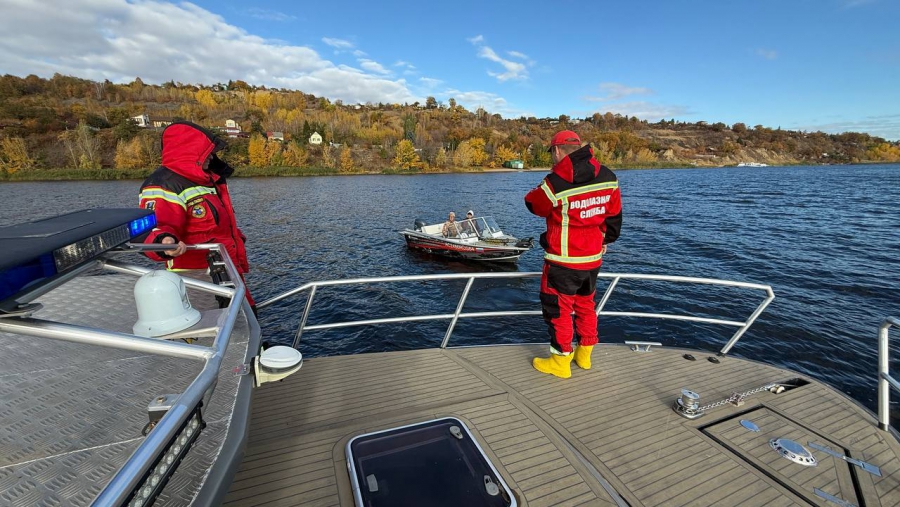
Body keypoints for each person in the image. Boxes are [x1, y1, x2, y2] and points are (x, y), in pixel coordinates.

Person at [524, 130, 622, 379]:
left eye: (552, 153)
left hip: (563, 260)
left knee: (557, 310)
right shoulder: (608, 176)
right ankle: (584, 354)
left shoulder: (555, 182)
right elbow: (614, 217)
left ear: (557, 150)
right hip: (592, 259)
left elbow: (534, 204)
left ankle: (560, 361)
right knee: (586, 305)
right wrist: (605, 239)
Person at [138, 121, 256, 313]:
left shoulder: (209, 182)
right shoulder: (164, 185)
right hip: (197, 279)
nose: (211, 156)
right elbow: (152, 229)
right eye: (206, 152)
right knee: (216, 326)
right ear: (190, 152)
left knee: (247, 318)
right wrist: (163, 241)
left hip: (228, 271)